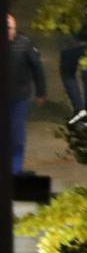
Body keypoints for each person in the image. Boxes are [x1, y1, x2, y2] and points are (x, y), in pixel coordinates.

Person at [7, 14, 45, 176]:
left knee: (16, 138)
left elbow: (37, 68)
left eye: (8, 28)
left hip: (18, 98)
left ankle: (14, 173)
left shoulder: (24, 44)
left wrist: (41, 91)